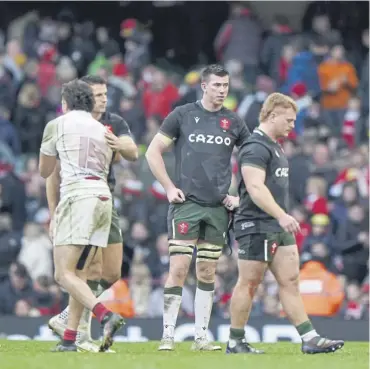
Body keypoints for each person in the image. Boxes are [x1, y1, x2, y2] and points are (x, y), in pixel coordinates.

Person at [226, 92, 344, 354]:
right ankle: (235, 341)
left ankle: (309, 338)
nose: (292, 125)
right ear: (272, 115)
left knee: (290, 280)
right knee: (249, 283)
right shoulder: (254, 147)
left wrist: (281, 218)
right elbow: (255, 188)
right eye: (289, 120)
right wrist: (281, 214)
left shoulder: (275, 145)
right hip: (256, 225)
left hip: (277, 226)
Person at [145, 64, 250, 351]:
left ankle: (201, 338)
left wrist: (240, 195)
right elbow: (153, 151)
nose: (222, 90)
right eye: (216, 85)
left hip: (217, 207)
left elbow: (253, 160)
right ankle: (167, 335)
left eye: (225, 86)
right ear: (203, 86)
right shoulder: (183, 115)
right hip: (186, 204)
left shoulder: (234, 122)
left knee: (207, 271)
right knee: (178, 268)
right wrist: (168, 187)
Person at [47, 75, 138, 352]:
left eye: (105, 94)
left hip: (104, 199)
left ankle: (67, 320)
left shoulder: (114, 122)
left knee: (111, 273)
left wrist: (115, 142)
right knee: (86, 270)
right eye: (98, 95)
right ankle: (76, 334)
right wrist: (53, 212)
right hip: (79, 200)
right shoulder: (68, 125)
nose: (104, 99)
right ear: (85, 98)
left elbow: (133, 152)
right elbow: (52, 173)